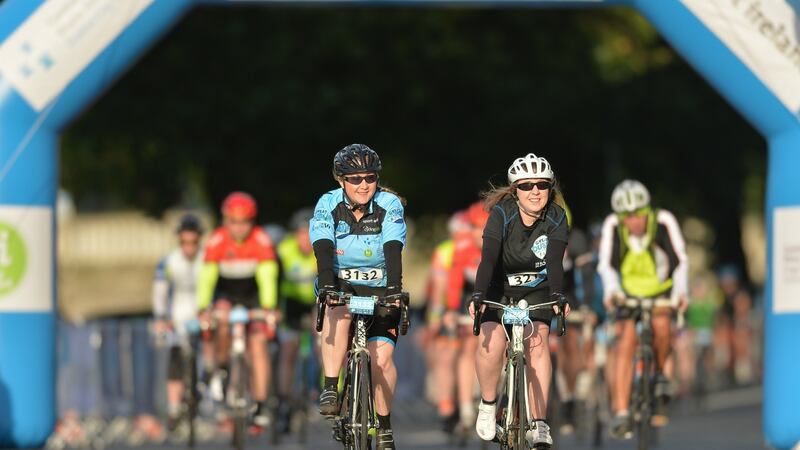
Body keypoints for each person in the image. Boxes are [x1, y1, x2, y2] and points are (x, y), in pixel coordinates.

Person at [310, 143, 407, 450]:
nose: (363, 184)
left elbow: (393, 245)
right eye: (355, 179)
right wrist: (326, 285)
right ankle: (330, 386)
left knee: (381, 359)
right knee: (337, 312)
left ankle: (385, 425)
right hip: (341, 282)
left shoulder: (389, 203)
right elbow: (323, 244)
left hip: (381, 285)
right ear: (341, 180)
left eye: (369, 177)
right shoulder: (327, 203)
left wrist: (394, 289)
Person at [470, 153, 570, 448]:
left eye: (541, 185)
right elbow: (487, 259)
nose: (535, 191)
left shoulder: (556, 216)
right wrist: (478, 295)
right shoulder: (502, 214)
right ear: (516, 190)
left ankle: (539, 422)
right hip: (499, 287)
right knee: (491, 343)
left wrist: (558, 296)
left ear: (550, 188)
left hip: (536, 289)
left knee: (538, 343)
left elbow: (554, 261)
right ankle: (488, 404)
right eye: (527, 186)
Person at [597, 179, 688, 439]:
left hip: (661, 289)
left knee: (661, 325)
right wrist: (612, 291)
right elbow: (606, 265)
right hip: (627, 293)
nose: (634, 221)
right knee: (625, 340)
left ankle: (660, 374)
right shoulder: (613, 226)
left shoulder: (664, 221)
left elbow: (680, 261)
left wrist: (681, 293)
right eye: (627, 216)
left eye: (638, 215)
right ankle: (622, 411)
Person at [196, 192, 279, 429]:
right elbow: (207, 279)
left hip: (253, 297)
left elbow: (267, 278)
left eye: (244, 222)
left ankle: (261, 404)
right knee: (221, 317)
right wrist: (203, 308)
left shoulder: (261, 240)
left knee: (258, 344)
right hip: (226, 295)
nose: (239, 227)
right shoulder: (217, 240)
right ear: (225, 221)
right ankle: (222, 368)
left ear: (252, 222)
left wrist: (269, 308)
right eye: (233, 221)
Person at [152, 214, 205, 431]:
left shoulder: (207, 258)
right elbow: (160, 293)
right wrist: (161, 318)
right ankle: (174, 405)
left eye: (193, 242)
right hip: (178, 313)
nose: (189, 248)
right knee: (175, 352)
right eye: (184, 243)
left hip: (201, 311)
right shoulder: (169, 262)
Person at [275, 207, 318, 432]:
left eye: (309, 233)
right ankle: (284, 402)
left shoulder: (321, 249)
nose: (305, 240)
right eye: (301, 234)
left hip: (314, 302)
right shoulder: (283, 251)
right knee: (288, 350)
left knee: (322, 338)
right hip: (290, 304)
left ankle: (327, 387)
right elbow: (271, 281)